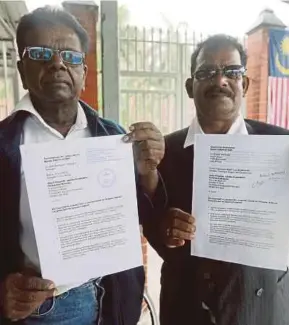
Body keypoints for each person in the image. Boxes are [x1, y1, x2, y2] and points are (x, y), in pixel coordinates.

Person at [0, 6, 165, 325]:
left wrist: (149, 172)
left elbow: (146, 215)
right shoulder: (4, 143)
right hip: (45, 309)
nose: (57, 62)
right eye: (40, 53)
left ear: (84, 73)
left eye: (70, 56)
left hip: (114, 299)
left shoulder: (114, 136)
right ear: (22, 69)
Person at [142, 34, 289, 325]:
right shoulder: (164, 153)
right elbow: (151, 225)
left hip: (264, 308)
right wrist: (165, 230)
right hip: (187, 309)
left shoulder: (281, 145)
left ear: (244, 84)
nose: (220, 80)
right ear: (189, 86)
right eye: (206, 72)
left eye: (232, 72)